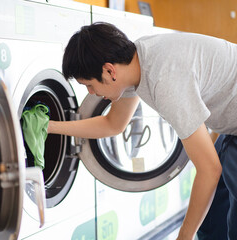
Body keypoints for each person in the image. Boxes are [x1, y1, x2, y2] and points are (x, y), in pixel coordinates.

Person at [47, 22, 237, 240]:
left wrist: (182, 237)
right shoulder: (138, 62)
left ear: (109, 71)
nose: (93, 93)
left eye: (89, 85)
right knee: (212, 222)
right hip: (231, 128)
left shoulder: (166, 83)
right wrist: (51, 127)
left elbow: (209, 170)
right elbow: (113, 124)